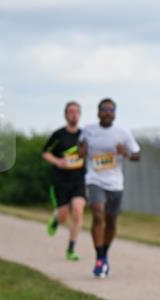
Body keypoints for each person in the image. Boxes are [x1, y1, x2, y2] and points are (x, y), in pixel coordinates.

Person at [78, 98, 141, 278]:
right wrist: (80, 151)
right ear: (98, 113)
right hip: (94, 179)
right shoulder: (88, 130)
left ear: (114, 113)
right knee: (98, 214)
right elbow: (80, 147)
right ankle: (99, 259)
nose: (107, 112)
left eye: (110, 110)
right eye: (104, 109)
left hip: (115, 183)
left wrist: (126, 153)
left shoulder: (123, 133)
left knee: (111, 221)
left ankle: (104, 253)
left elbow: (137, 155)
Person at [42, 101, 87, 260]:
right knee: (63, 216)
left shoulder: (84, 136)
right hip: (61, 181)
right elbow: (45, 152)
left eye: (76, 112)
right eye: (70, 112)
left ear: (80, 115)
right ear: (66, 114)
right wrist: (58, 162)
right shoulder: (58, 135)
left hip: (78, 180)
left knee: (78, 211)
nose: (73, 114)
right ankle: (55, 220)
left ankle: (71, 249)